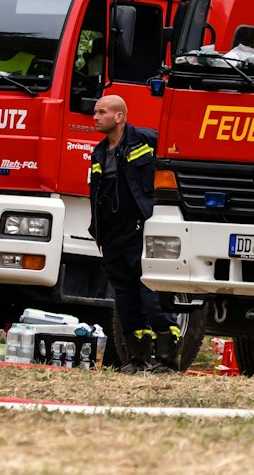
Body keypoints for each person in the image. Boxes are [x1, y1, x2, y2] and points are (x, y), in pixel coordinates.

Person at [88, 95, 181, 372]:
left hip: (141, 231)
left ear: (119, 116)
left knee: (150, 293)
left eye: (101, 112)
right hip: (112, 235)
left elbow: (176, 156)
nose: (95, 117)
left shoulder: (146, 139)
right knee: (125, 298)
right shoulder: (99, 152)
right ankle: (136, 359)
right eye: (95, 112)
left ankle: (167, 358)